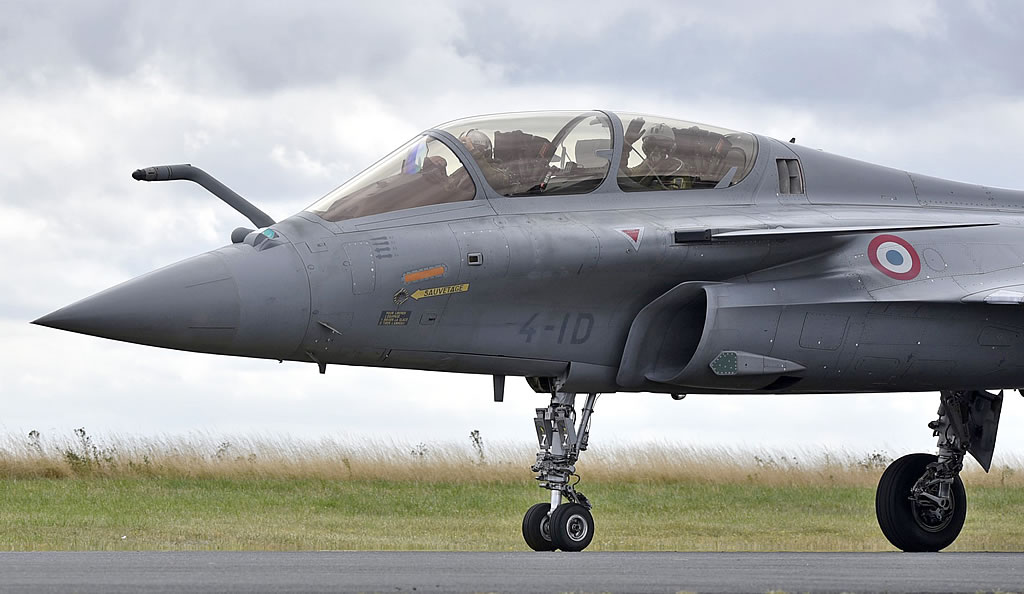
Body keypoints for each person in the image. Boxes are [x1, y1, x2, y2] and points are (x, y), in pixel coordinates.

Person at [620, 119, 689, 190]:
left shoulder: (677, 170)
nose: (656, 150)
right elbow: (623, 176)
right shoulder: (645, 166)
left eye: (662, 145)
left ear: (670, 148)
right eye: (651, 145)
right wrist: (625, 146)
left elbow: (673, 197)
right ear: (645, 147)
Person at [458, 129, 516, 194]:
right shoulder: (464, 171)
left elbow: (496, 180)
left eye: (467, 149)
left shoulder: (497, 168)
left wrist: (474, 153)